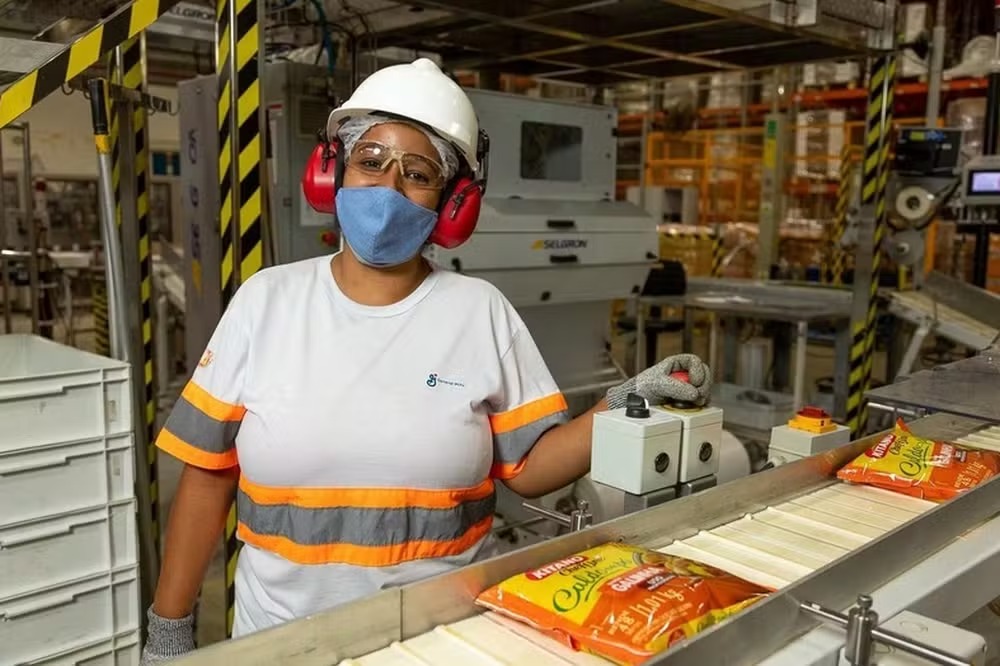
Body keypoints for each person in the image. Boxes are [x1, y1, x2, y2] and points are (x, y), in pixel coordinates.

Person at [140, 58, 711, 662]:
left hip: (440, 642)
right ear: (331, 173)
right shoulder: (267, 301)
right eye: (371, 161)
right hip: (279, 643)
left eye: (418, 173)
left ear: (453, 203)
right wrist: (169, 626)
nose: (388, 188)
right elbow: (207, 473)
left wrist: (618, 406)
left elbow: (531, 467)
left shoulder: (479, 311)